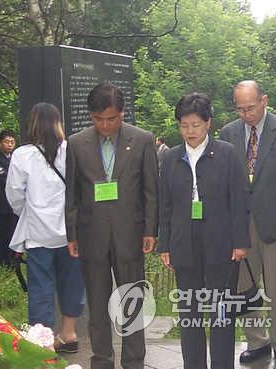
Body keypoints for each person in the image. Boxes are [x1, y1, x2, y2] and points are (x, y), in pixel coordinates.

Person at [65, 82, 159, 369]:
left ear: (122, 113)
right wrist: (72, 233)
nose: (105, 125)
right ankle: (102, 360)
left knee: (132, 300)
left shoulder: (141, 140)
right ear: (91, 116)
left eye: (112, 119)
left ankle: (134, 361)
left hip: (129, 233)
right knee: (97, 303)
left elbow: (150, 190)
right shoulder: (77, 143)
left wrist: (150, 230)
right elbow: (72, 193)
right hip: (90, 234)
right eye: (98, 119)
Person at [158, 92, 249, 369]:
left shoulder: (227, 154)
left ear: (208, 123)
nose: (190, 131)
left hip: (221, 244)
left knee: (221, 313)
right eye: (184, 125)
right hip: (184, 244)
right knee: (190, 314)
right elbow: (166, 206)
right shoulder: (171, 158)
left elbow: (239, 200)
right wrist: (165, 245)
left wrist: (240, 241)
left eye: (196, 125)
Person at [219, 80, 276, 365]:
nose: (246, 114)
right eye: (240, 109)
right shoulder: (228, 133)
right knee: (245, 286)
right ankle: (257, 341)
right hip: (241, 224)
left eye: (250, 108)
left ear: (264, 100)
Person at [6, 103, 85, 353]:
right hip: (71, 232)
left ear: (33, 124)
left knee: (41, 287)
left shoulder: (22, 154)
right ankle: (70, 333)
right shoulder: (71, 150)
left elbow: (15, 195)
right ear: (57, 123)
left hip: (39, 233)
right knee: (73, 282)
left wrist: (29, 212)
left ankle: (45, 343)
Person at [0, 130, 18, 267]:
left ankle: (13, 262)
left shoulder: (16, 157)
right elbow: (2, 178)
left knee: (13, 232)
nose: (9, 145)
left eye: (12, 142)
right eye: (6, 142)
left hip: (13, 203)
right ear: (0, 143)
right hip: (1, 202)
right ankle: (2, 262)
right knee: (2, 234)